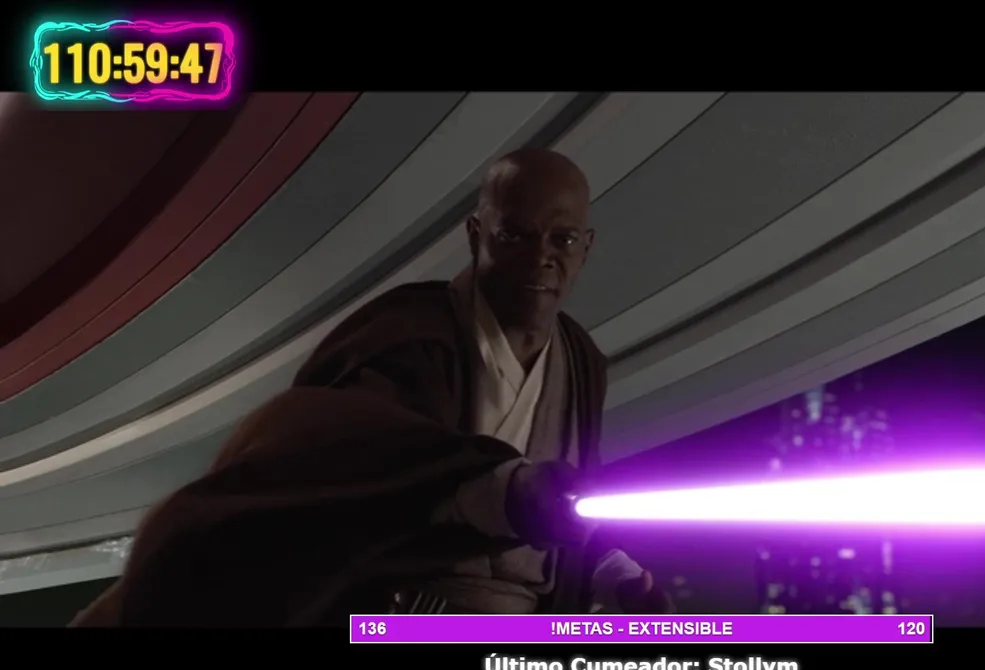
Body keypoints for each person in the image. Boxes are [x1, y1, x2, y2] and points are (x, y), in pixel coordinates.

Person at [71, 148, 675, 626]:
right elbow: (343, 464)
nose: (541, 257)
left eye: (562, 239)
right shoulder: (406, 334)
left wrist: (608, 569)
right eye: (515, 235)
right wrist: (489, 488)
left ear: (586, 247)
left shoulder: (580, 361)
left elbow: (571, 498)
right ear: (476, 234)